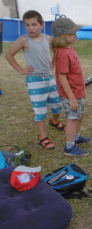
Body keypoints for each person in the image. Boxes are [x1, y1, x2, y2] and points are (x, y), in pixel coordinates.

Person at [5, 10, 66, 150]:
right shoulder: (23, 40)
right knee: (40, 111)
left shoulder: (48, 38)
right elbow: (9, 55)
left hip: (49, 78)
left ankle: (54, 121)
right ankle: (42, 137)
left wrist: (53, 65)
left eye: (34, 24)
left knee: (57, 105)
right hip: (35, 80)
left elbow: (58, 52)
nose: (31, 28)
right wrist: (21, 70)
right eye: (27, 25)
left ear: (42, 25)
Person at [51, 18, 91, 157]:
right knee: (73, 118)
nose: (76, 35)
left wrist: (81, 91)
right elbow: (62, 78)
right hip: (70, 93)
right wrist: (72, 98)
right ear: (62, 36)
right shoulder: (62, 53)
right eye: (72, 33)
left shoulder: (70, 48)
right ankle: (69, 146)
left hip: (77, 91)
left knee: (81, 114)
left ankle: (75, 136)